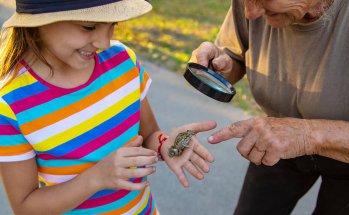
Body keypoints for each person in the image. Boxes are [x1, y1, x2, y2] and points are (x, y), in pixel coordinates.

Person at [0, 0, 216, 214]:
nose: (104, 43)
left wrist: (165, 144)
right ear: (39, 21)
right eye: (89, 27)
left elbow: (149, 133)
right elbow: (25, 206)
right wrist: (97, 178)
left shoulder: (122, 61)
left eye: (113, 25)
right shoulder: (10, 103)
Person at [191, 0, 349, 214]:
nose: (250, 13)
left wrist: (306, 136)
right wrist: (220, 66)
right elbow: (236, 56)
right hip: (276, 139)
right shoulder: (253, 7)